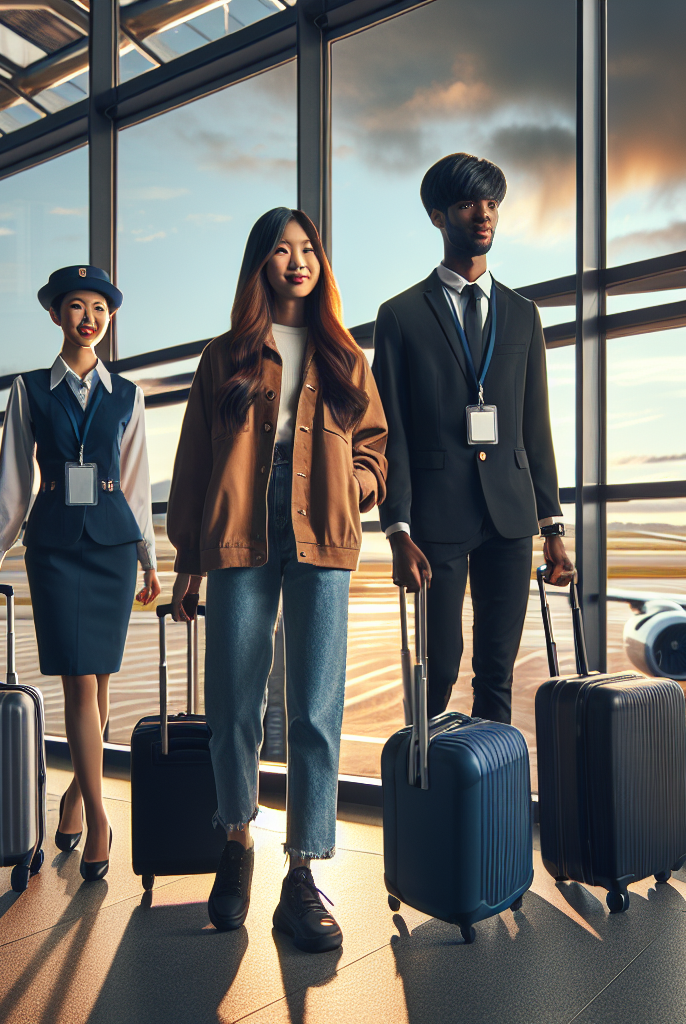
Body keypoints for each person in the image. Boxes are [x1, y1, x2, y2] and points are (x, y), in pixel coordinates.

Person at [167, 208, 387, 954]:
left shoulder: (347, 356)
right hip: (240, 529)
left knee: (315, 704)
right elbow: (195, 463)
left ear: (322, 264)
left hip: (321, 528)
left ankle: (303, 872)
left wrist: (355, 486)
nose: (298, 261)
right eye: (283, 250)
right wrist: (188, 562)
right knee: (232, 694)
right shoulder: (224, 355)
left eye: (309, 249)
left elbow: (377, 449)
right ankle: (237, 842)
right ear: (260, 263)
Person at [0, 265, 162, 882]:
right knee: (79, 684)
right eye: (76, 307)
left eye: (100, 308)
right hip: (53, 548)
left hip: (110, 550)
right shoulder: (29, 389)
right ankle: (101, 818)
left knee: (99, 690)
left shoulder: (127, 393)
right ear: (55, 315)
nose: (89, 318)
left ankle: (77, 793)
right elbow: (15, 477)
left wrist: (151, 560)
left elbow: (135, 482)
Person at [371, 152, 573, 726]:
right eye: (467, 205)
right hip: (436, 519)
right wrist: (397, 529)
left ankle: (495, 805)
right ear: (438, 217)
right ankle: (423, 787)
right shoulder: (402, 315)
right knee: (439, 667)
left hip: (510, 519)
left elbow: (537, 426)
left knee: (498, 671)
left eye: (492, 205)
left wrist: (552, 527)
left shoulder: (523, 314)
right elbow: (392, 432)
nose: (483, 216)